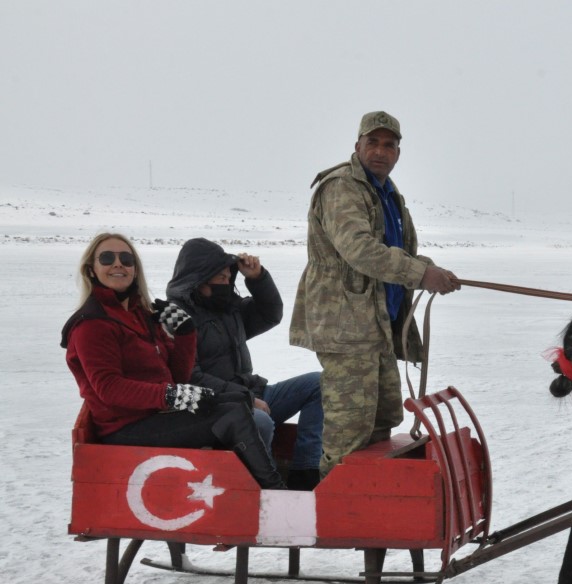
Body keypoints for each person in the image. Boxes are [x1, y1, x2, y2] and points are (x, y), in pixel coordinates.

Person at [290, 110, 460, 478]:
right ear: (358, 146)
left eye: (389, 145)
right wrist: (419, 274)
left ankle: (367, 519)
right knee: (349, 432)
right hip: (346, 330)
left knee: (381, 423)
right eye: (373, 143)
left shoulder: (387, 194)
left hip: (378, 328)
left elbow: (402, 250)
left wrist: (432, 271)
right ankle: (332, 518)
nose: (380, 151)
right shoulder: (341, 187)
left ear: (398, 153)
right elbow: (360, 250)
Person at [62, 232, 285, 490]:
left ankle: (256, 490)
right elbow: (109, 388)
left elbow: (177, 373)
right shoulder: (92, 324)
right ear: (91, 270)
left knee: (237, 401)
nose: (118, 264)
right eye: (107, 258)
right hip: (126, 426)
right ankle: (273, 492)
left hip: (157, 415)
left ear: (135, 269)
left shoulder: (142, 314)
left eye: (126, 258)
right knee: (235, 413)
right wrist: (170, 395)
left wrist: (185, 333)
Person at [166, 238, 323, 490]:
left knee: (319, 385)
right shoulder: (176, 318)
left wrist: (257, 278)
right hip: (218, 406)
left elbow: (270, 313)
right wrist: (244, 399)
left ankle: (305, 473)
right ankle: (268, 488)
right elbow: (190, 378)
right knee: (259, 420)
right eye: (220, 278)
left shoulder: (227, 307)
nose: (227, 283)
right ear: (199, 278)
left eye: (229, 277)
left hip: (251, 392)